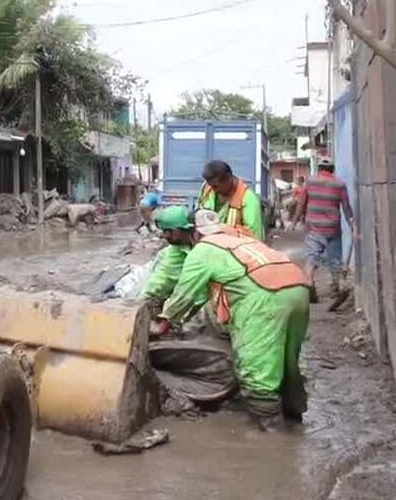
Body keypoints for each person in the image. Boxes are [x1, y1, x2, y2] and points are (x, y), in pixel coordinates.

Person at [150, 206, 310, 427]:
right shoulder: (239, 238)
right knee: (285, 361)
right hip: (298, 288)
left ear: (193, 232)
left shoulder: (203, 250)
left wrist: (164, 321)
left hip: (265, 297)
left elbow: (184, 294)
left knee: (255, 370)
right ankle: (294, 416)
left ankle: (273, 433)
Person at [301, 159, 358, 307]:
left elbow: (302, 203)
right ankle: (335, 287)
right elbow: (346, 208)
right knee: (335, 258)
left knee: (312, 256)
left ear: (319, 168)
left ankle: (309, 282)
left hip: (314, 227)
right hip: (333, 227)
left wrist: (295, 220)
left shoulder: (310, 182)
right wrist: (352, 225)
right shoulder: (339, 184)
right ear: (332, 169)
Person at [197, 160, 265, 241]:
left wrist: (223, 230)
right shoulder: (207, 190)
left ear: (229, 179)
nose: (213, 190)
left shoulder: (249, 199)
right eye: (210, 185)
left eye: (216, 186)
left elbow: (254, 237)